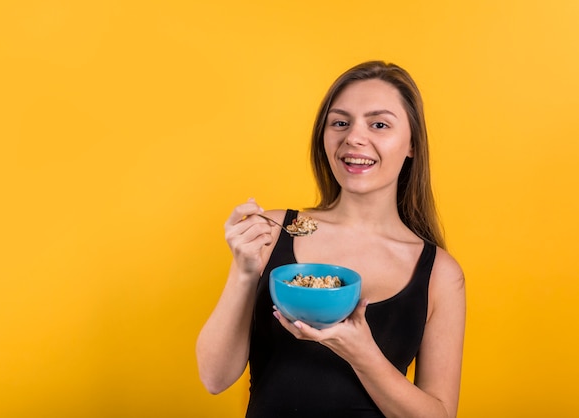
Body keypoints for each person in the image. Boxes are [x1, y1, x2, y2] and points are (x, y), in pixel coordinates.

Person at [196, 61, 466, 418]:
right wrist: (244, 273)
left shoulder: (439, 274)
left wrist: (361, 352)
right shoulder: (273, 231)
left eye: (379, 124)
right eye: (340, 122)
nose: (353, 137)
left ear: (412, 144)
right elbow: (215, 377)